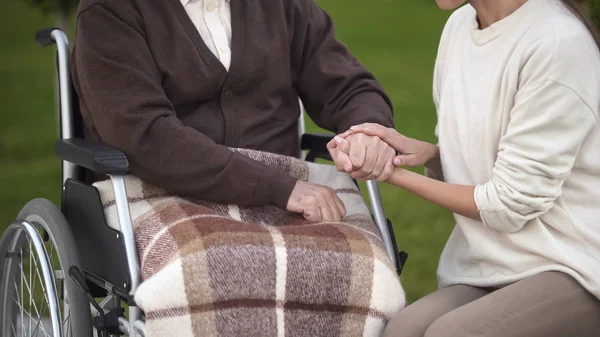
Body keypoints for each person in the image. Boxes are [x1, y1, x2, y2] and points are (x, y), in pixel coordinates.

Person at [329, 0, 600, 336]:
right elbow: (489, 161)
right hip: (491, 267)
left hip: (575, 268)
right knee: (400, 330)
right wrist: (422, 153)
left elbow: (509, 204)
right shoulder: (459, 27)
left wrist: (390, 172)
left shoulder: (557, 44)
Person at [71, 0, 398, 222]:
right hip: (160, 193)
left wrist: (369, 131)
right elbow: (143, 136)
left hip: (288, 193)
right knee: (220, 275)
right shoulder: (110, 10)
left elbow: (348, 86)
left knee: (358, 271)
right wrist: (277, 188)